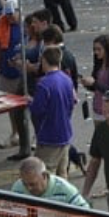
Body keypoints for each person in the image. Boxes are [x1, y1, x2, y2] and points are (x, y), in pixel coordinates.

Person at [29, 46, 77, 179]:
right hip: (65, 133)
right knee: (62, 173)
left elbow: (37, 110)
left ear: (44, 61)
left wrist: (30, 102)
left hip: (49, 136)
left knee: (44, 173)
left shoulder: (44, 84)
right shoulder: (67, 79)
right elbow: (72, 103)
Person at [0, 0, 32, 160]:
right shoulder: (1, 24)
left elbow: (31, 47)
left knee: (28, 107)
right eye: (7, 14)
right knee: (11, 107)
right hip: (6, 71)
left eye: (12, 14)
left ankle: (31, 137)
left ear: (19, 11)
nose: (9, 17)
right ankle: (15, 134)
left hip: (22, 73)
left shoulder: (27, 26)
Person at [11, 156, 90, 208]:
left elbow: (85, 211)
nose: (29, 188)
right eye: (24, 184)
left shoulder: (66, 189)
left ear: (44, 176)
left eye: (32, 184)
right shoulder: (17, 187)